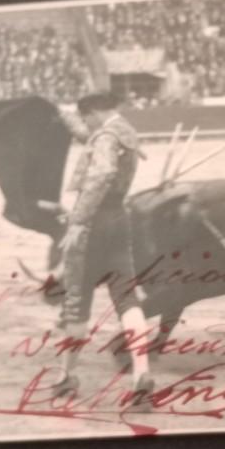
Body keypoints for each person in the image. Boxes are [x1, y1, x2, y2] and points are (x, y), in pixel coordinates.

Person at [57, 92, 153, 400]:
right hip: (119, 218)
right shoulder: (124, 130)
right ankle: (141, 371)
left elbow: (102, 172)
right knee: (126, 297)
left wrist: (79, 221)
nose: (86, 124)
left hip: (94, 223)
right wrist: (65, 116)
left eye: (85, 117)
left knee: (77, 299)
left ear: (94, 112)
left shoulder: (104, 139)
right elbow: (93, 136)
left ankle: (68, 376)